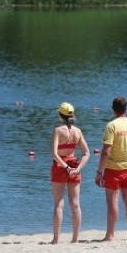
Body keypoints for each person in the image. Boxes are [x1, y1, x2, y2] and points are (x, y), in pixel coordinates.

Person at [94, 96, 127, 242]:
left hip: (114, 168)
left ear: (113, 109)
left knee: (112, 201)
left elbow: (106, 151)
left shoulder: (111, 126)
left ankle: (110, 235)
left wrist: (99, 173)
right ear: (126, 109)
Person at [50, 102, 90, 244]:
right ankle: (75, 239)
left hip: (61, 167)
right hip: (74, 165)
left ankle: (56, 239)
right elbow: (86, 153)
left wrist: (66, 168)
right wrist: (78, 169)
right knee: (75, 204)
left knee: (58, 204)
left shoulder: (58, 130)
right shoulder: (77, 131)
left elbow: (55, 154)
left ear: (60, 115)